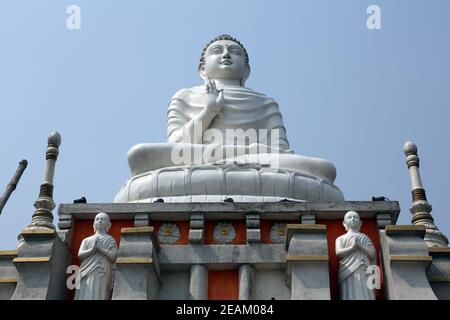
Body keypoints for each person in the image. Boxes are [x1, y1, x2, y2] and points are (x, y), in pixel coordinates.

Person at [74, 212, 118, 300]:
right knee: (85, 291)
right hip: (86, 270)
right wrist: (92, 250)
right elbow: (80, 255)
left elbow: (113, 256)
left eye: (103, 219)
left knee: (99, 291)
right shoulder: (86, 240)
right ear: (94, 223)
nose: (100, 221)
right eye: (97, 219)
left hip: (103, 271)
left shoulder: (110, 240)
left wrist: (100, 248)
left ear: (108, 224)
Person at [336, 210, 376, 300]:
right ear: (344, 223)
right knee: (349, 293)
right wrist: (352, 247)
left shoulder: (364, 237)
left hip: (364, 270)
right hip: (347, 270)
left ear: (360, 222)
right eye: (349, 217)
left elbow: (372, 254)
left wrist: (360, 245)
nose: (353, 219)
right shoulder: (340, 239)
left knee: (365, 294)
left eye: (355, 217)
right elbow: (338, 253)